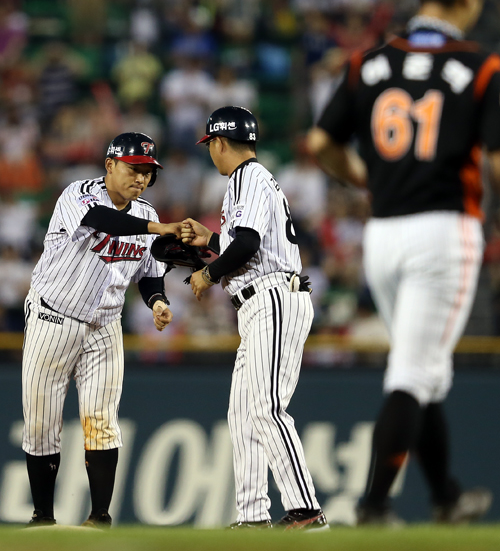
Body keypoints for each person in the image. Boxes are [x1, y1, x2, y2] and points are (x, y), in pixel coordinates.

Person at [307, 0, 498, 525]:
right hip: (444, 233)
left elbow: (320, 144)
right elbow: (494, 163)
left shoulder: (369, 63)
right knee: (413, 372)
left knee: (424, 366)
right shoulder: (483, 66)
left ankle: (445, 496)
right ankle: (373, 506)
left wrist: (365, 175)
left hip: (383, 236)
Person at [180, 106, 328, 531]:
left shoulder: (246, 178)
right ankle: (252, 517)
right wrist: (209, 240)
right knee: (243, 413)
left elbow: (246, 244)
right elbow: (244, 241)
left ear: (220, 143)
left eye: (211, 144)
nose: (210, 151)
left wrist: (208, 272)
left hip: (273, 298)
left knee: (266, 407)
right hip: (260, 301)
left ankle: (306, 511)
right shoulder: (254, 180)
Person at [23, 132, 181, 527]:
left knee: (102, 419)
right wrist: (157, 229)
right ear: (110, 165)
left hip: (105, 326)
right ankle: (43, 517)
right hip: (53, 316)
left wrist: (157, 301)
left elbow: (149, 275)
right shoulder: (78, 194)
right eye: (134, 168)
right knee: (42, 421)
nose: (142, 178)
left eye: (148, 172)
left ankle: (100, 517)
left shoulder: (148, 215)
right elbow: (102, 221)